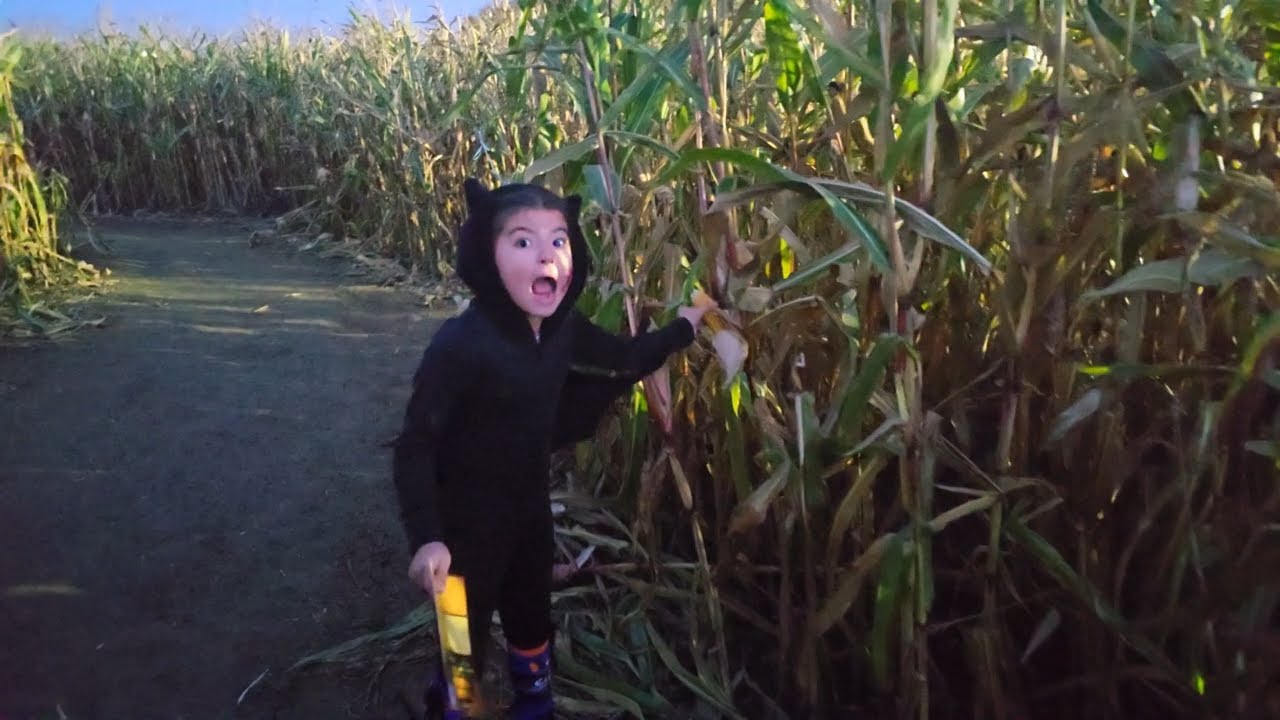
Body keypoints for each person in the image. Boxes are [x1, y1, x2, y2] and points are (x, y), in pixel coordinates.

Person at [391, 177, 714, 720]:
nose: (547, 256)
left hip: (527, 508)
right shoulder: (460, 346)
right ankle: (453, 704)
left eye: (559, 240)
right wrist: (426, 539)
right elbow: (416, 444)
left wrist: (684, 328)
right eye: (522, 242)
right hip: (462, 520)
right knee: (460, 629)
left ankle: (533, 705)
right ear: (485, 256)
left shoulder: (563, 330)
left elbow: (625, 358)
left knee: (530, 610)